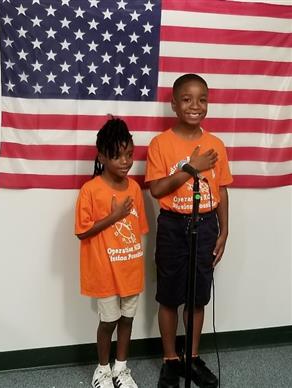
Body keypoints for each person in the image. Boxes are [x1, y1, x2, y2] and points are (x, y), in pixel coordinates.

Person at [145, 74, 233, 388]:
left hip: (206, 225)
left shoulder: (215, 144)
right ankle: (171, 359)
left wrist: (224, 231)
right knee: (169, 297)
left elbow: (221, 190)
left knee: (197, 298)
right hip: (173, 226)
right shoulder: (160, 143)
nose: (195, 106)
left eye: (202, 99)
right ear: (173, 104)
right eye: (186, 99)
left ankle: (192, 357)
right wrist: (190, 168)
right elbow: (156, 189)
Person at [75, 117, 149, 388]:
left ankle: (122, 368)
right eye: (117, 156)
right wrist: (114, 215)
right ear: (102, 156)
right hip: (105, 273)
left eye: (129, 154)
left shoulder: (134, 188)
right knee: (109, 322)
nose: (125, 161)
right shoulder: (90, 190)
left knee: (128, 319)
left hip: (130, 268)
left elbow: (138, 229)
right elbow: (82, 231)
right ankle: (102, 370)